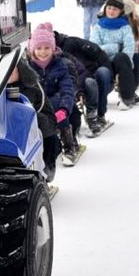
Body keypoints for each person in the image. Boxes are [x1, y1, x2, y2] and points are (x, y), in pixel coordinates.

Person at [27, 23, 78, 170]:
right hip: (37, 106)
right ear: (32, 49)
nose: (43, 52)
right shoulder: (28, 67)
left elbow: (67, 90)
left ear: (53, 48)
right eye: (39, 48)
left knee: (56, 102)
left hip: (56, 106)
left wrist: (64, 109)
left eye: (47, 48)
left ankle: (68, 144)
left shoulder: (60, 66)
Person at [54, 30, 113, 135]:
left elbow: (80, 72)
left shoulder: (68, 52)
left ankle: (93, 116)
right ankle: (66, 128)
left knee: (90, 83)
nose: (43, 51)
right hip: (63, 87)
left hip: (79, 81)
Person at [91, 0, 139, 109]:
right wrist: (115, 47)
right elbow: (96, 48)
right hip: (104, 61)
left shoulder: (125, 27)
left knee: (134, 57)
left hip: (121, 61)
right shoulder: (98, 26)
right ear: (105, 9)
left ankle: (128, 95)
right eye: (109, 8)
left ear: (120, 11)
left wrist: (127, 61)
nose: (111, 11)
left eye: (115, 9)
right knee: (120, 57)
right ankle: (127, 94)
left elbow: (129, 46)